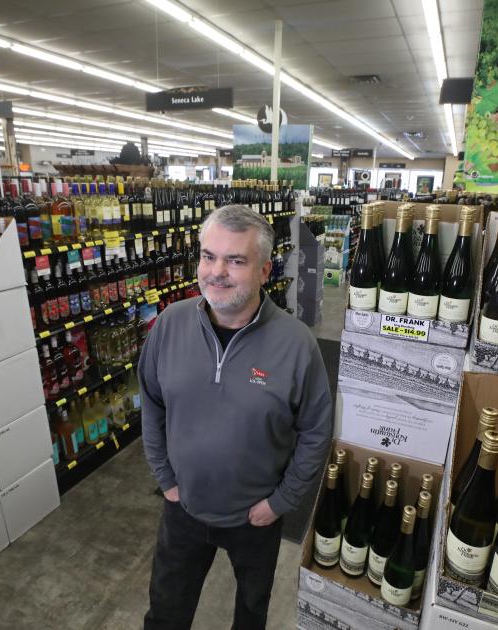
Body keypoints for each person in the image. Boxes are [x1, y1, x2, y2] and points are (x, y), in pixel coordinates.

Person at [140, 204, 333, 630]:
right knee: (166, 613)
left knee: (251, 614)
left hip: (255, 518)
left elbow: (316, 432)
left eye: (235, 260)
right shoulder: (169, 325)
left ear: (265, 271)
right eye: (208, 256)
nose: (216, 272)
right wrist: (166, 480)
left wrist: (280, 503)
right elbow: (151, 402)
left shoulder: (297, 344)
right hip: (183, 509)